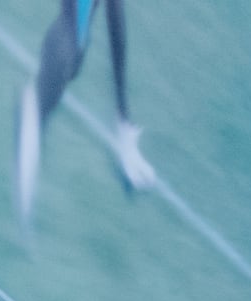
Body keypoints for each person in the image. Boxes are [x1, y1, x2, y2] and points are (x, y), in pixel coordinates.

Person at [13, 0, 158, 230]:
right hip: (64, 49)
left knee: (68, 63)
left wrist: (124, 124)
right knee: (65, 56)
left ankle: (35, 109)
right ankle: (34, 107)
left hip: (69, 51)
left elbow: (115, 22)